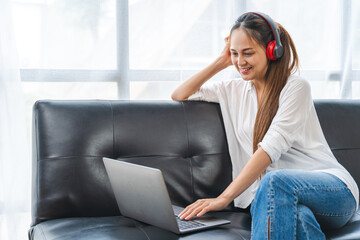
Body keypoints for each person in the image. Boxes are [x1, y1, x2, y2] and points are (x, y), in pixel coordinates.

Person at [171, 12, 359, 239]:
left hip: (334, 192)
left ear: (273, 51)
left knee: (273, 182)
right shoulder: (232, 90)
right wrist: (222, 61)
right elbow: (180, 93)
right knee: (299, 218)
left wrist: (224, 198)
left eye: (248, 53)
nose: (240, 62)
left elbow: (271, 147)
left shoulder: (296, 88)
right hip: (280, 198)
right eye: (235, 53)